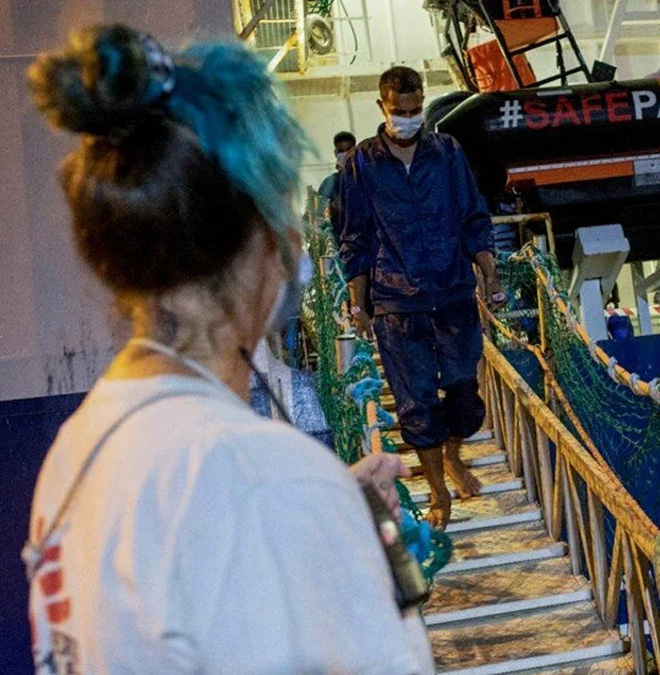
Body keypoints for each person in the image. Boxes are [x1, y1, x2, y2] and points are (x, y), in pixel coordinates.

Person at [24, 25, 434, 674]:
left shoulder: (76, 452)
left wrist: (322, 507)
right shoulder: (260, 481)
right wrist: (323, 520)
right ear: (265, 242)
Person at [336, 66, 503, 529]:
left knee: (464, 393)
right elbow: (354, 238)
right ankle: (438, 492)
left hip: (452, 292)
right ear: (382, 107)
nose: (408, 118)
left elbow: (473, 218)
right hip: (395, 302)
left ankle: (452, 454)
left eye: (415, 110)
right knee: (416, 404)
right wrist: (358, 303)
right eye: (399, 111)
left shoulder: (446, 152)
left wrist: (490, 276)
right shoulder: (361, 164)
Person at [318, 130, 356, 222]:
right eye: (341, 151)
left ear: (356, 150)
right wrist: (332, 208)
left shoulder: (366, 178)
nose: (345, 154)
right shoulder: (329, 183)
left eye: (349, 150)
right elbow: (319, 215)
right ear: (336, 153)